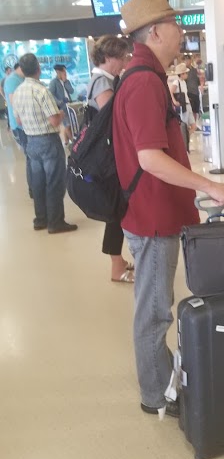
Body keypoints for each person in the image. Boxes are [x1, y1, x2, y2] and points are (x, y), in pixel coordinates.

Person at [113, 0, 224, 417]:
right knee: (153, 313)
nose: (180, 31)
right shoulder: (144, 81)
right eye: (173, 24)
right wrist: (210, 185)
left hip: (155, 213)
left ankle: (162, 379)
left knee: (154, 307)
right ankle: (155, 395)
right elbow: (150, 158)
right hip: (152, 218)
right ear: (153, 33)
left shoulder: (142, 75)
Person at [12, 53, 77, 233]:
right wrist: (62, 114)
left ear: (23, 71)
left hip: (31, 142)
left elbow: (18, 121)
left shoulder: (18, 92)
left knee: (38, 183)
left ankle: (40, 220)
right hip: (48, 141)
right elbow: (55, 121)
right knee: (55, 182)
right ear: (38, 69)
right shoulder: (41, 91)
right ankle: (56, 223)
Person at [87, 35, 134, 283]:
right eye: (121, 57)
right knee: (116, 209)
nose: (124, 62)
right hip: (109, 158)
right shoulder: (102, 83)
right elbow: (111, 120)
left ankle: (119, 260)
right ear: (106, 58)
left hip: (110, 155)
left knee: (117, 209)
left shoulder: (106, 80)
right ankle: (116, 266)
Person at [4, 62, 33, 196]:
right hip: (21, 126)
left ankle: (37, 186)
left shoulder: (23, 79)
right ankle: (33, 189)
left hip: (28, 125)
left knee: (33, 156)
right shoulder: (12, 81)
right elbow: (14, 102)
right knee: (30, 157)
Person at [169, 62, 195, 153]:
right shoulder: (177, 82)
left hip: (188, 105)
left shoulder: (183, 82)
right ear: (182, 74)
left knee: (193, 126)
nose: (187, 75)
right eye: (185, 73)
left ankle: (185, 141)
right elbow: (170, 92)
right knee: (184, 126)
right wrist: (174, 101)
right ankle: (184, 145)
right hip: (183, 106)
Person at [49, 64, 74, 145]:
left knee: (69, 124)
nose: (65, 73)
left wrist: (65, 81)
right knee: (67, 125)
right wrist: (60, 101)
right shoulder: (53, 82)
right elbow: (51, 95)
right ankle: (74, 143)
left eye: (65, 71)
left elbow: (71, 91)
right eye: (63, 71)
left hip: (70, 105)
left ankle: (66, 141)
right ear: (58, 72)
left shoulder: (67, 81)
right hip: (62, 107)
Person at [186, 58, 201, 125]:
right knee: (190, 111)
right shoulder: (184, 71)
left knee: (195, 110)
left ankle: (194, 125)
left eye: (188, 60)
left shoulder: (195, 70)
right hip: (189, 93)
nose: (187, 62)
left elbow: (199, 80)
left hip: (195, 92)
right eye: (185, 60)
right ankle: (190, 125)